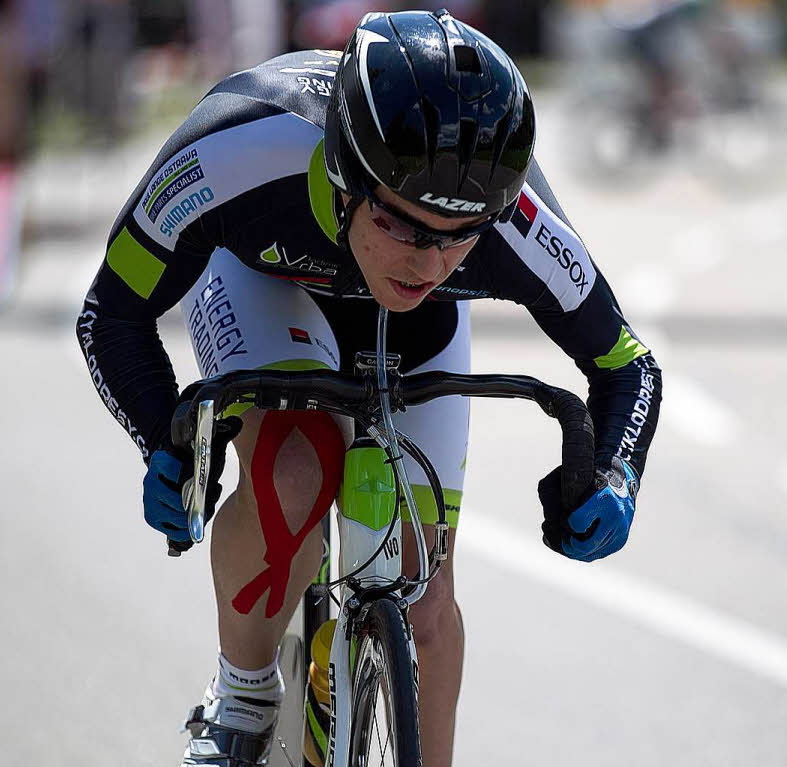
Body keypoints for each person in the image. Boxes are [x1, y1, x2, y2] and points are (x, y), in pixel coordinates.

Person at [76, 9, 662, 767]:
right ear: (349, 177)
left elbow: (626, 363)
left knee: (424, 589)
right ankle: (244, 698)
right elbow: (111, 312)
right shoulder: (240, 149)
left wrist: (616, 475)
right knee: (294, 467)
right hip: (266, 284)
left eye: (460, 236)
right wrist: (167, 437)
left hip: (422, 334)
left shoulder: (512, 223)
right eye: (408, 226)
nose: (432, 261)